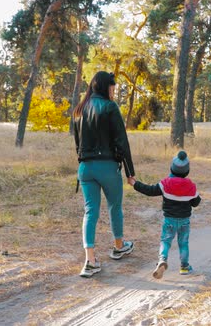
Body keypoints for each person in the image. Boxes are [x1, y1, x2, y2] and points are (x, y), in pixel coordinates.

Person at [73, 71, 136, 278]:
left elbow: (77, 145)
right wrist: (130, 172)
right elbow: (122, 141)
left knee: (90, 211)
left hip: (85, 168)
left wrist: (83, 164)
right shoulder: (110, 107)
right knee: (114, 207)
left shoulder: (79, 110)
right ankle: (119, 246)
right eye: (112, 87)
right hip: (107, 166)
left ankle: (90, 261)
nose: (113, 91)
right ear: (105, 87)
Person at [128, 150, 201, 279]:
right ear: (187, 171)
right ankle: (184, 267)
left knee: (165, 241)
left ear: (172, 169)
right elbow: (196, 202)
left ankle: (162, 260)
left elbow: (149, 190)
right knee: (183, 243)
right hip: (184, 221)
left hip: (169, 220)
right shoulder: (191, 186)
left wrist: (135, 183)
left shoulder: (165, 184)